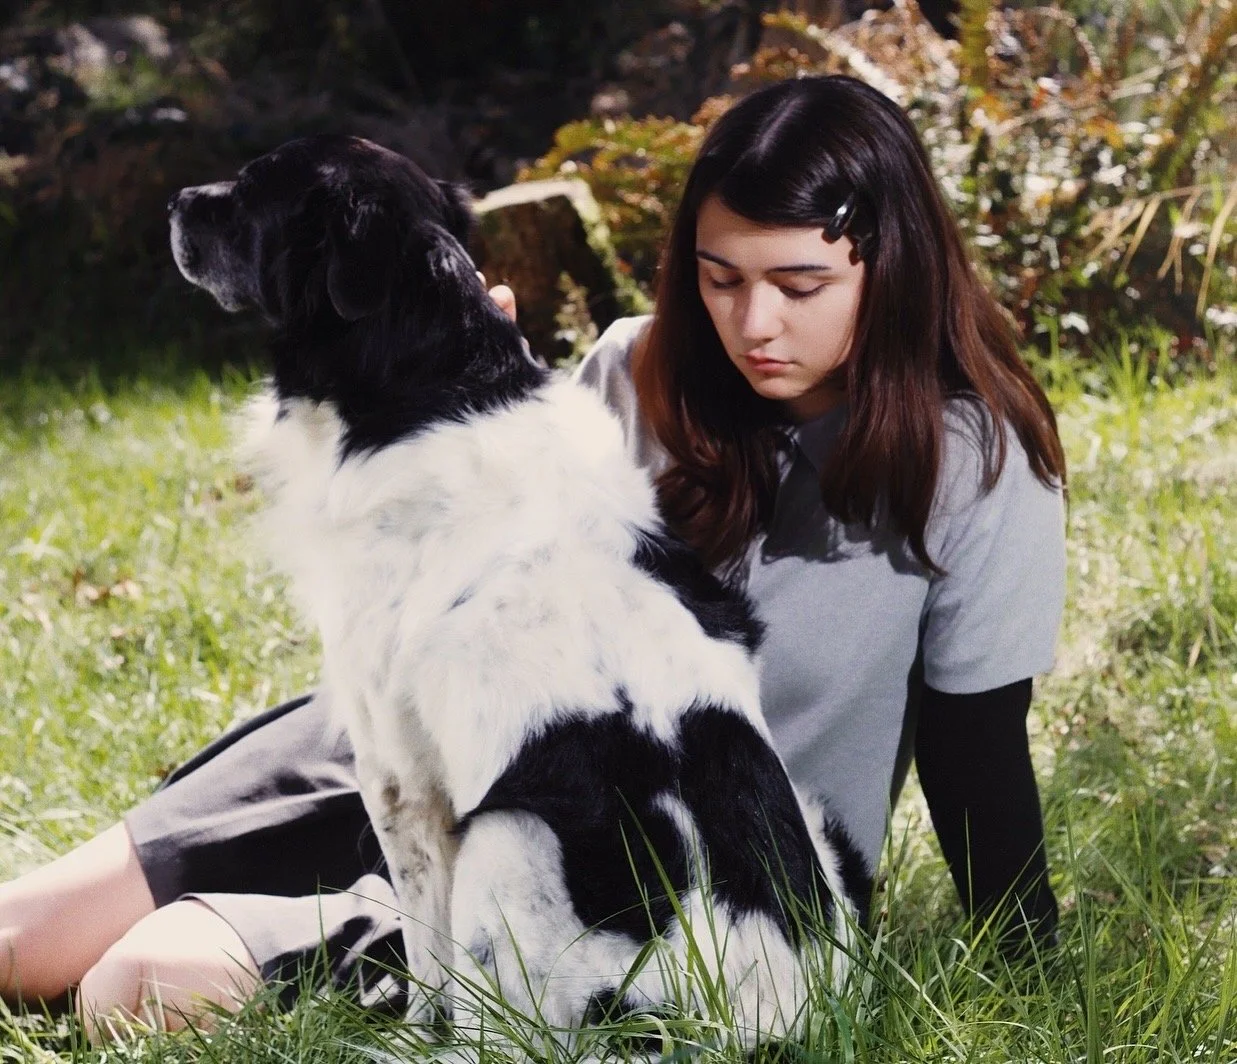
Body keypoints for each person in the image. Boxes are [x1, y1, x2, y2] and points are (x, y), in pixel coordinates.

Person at [0, 74, 1066, 1041]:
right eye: (719, 277)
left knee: (134, 985)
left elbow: (978, 757)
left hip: (607, 857)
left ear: (895, 265)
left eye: (800, 282)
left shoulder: (975, 467)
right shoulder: (633, 367)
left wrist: (1034, 985)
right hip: (390, 743)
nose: (753, 321)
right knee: (16, 937)